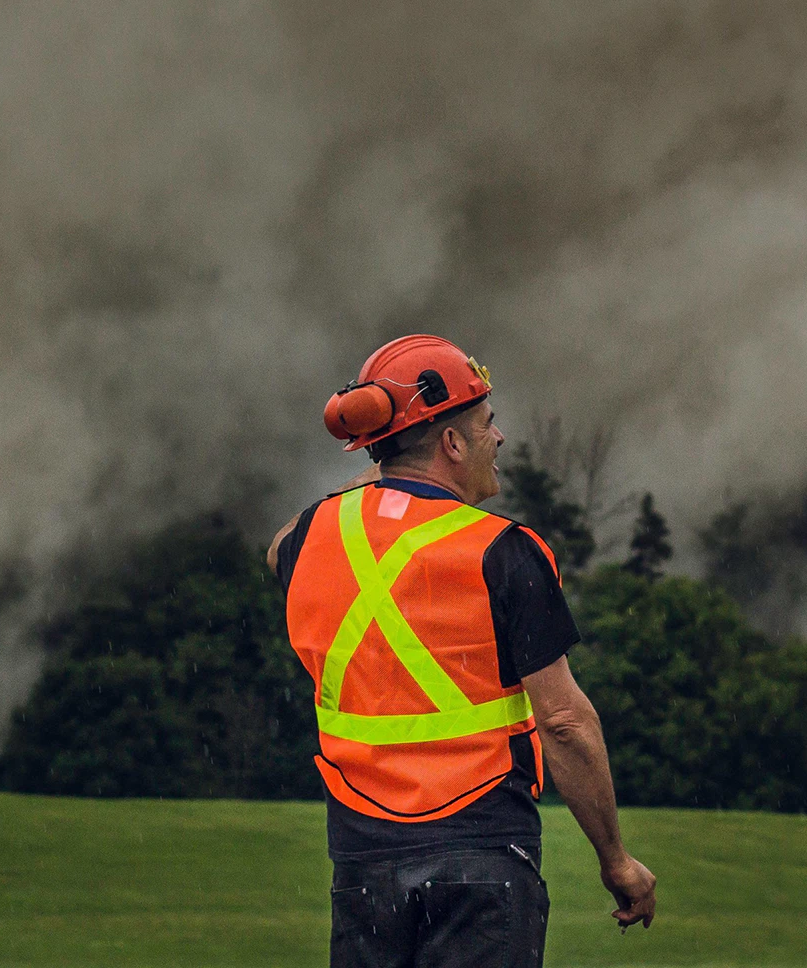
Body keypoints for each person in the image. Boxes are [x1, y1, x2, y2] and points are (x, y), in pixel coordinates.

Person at [267, 334, 655, 968]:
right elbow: (564, 722)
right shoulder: (503, 550)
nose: (497, 439)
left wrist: (385, 460)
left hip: (364, 863)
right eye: (485, 423)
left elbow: (279, 545)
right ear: (451, 442)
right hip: (481, 859)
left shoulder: (314, 535)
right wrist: (615, 860)